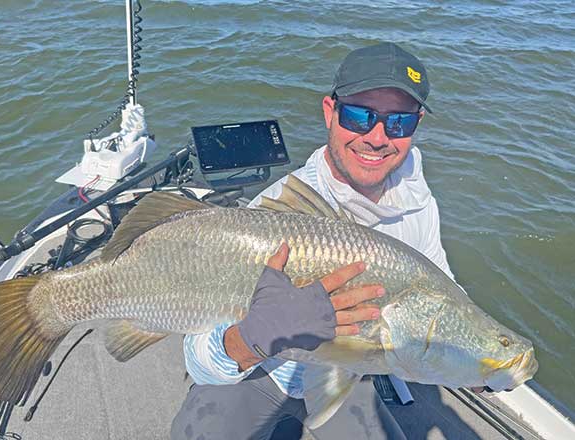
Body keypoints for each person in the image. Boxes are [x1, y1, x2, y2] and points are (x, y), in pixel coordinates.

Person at [171, 42, 454, 440]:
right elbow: (198, 361)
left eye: (399, 122)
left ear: (415, 125)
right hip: (265, 372)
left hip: (354, 373)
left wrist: (482, 358)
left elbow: (443, 286)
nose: (377, 138)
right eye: (359, 115)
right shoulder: (272, 215)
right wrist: (253, 336)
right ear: (330, 113)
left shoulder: (418, 199)